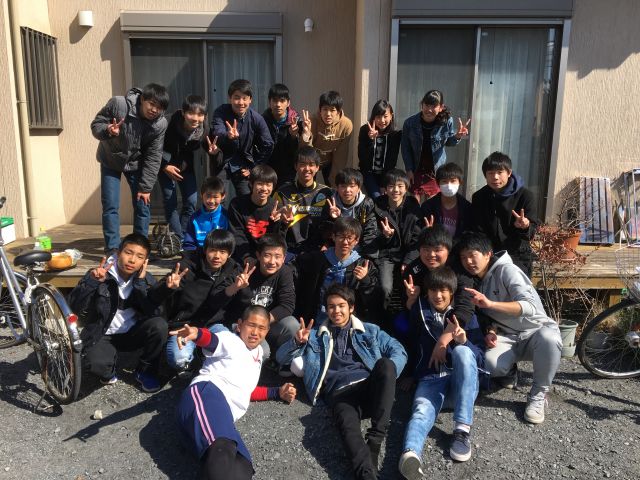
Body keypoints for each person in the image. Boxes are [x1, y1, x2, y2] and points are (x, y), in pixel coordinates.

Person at [276, 284, 407, 480]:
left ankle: (375, 439)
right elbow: (281, 358)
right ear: (326, 309)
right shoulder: (315, 336)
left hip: (368, 387)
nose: (336, 311)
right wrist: (296, 342)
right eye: (331, 306)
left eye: (341, 305)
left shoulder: (370, 330)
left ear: (351, 307)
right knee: (349, 430)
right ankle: (366, 474)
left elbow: (399, 350)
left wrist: (386, 380)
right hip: (340, 394)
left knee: (387, 364)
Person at [173, 306, 297, 480]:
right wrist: (197, 333)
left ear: (267, 331)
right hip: (206, 395)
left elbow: (245, 390)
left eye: (261, 328)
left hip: (222, 415)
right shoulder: (231, 340)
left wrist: (277, 392)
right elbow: (212, 340)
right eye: (251, 325)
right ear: (239, 325)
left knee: (243, 466)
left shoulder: (258, 353)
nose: (255, 332)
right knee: (222, 450)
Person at [458, 232, 562, 424]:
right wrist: (491, 330)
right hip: (506, 336)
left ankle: (538, 394)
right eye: (463, 257)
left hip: (536, 332)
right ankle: (510, 371)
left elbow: (529, 306)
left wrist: (491, 304)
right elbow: (486, 315)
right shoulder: (474, 281)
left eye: (473, 255)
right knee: (488, 365)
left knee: (550, 339)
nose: (468, 261)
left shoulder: (507, 270)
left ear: (488, 254)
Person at [398, 267, 486, 479]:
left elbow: (480, 359)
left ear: (452, 293)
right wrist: (410, 374)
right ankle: (410, 454)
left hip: (460, 386)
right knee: (421, 412)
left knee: (464, 352)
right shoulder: (419, 312)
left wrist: (463, 341)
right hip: (431, 379)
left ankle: (461, 431)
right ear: (426, 292)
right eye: (433, 290)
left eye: (443, 290)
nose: (438, 295)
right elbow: (409, 343)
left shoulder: (465, 317)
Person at [67, 233, 167, 392]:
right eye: (128, 253)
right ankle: (108, 368)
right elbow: (73, 307)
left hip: (131, 333)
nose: (132, 260)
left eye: (139, 256)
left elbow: (156, 312)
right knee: (96, 366)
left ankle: (144, 370)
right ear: (118, 253)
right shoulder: (100, 274)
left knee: (159, 325)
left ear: (145, 261)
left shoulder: (145, 279)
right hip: (102, 334)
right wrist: (92, 283)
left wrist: (140, 285)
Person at [91, 83, 169, 254]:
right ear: (142, 100)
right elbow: (96, 125)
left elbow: (154, 155)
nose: (154, 110)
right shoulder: (119, 104)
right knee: (110, 204)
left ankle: (139, 246)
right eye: (152, 104)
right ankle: (112, 248)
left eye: (159, 107)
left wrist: (146, 187)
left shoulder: (160, 124)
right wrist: (107, 130)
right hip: (110, 159)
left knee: (143, 203)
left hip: (135, 163)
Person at [154, 229, 243, 372]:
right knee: (179, 359)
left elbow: (236, 301)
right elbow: (158, 293)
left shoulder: (233, 270)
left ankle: (202, 352)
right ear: (205, 250)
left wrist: (239, 288)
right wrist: (168, 287)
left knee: (231, 350)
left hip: (213, 324)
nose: (217, 256)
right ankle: (195, 357)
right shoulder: (187, 266)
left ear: (230, 254)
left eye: (222, 252)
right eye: (212, 250)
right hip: (185, 324)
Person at [209, 234, 299, 362]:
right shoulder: (244, 270)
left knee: (292, 325)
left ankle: (279, 362)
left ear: (284, 258)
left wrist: (262, 324)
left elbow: (287, 305)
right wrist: (235, 287)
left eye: (277, 256)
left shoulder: (285, 272)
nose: (272, 261)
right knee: (263, 352)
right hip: (243, 324)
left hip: (268, 322)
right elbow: (216, 299)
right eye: (267, 255)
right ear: (258, 255)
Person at [159, 95, 222, 240]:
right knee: (170, 202)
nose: (195, 118)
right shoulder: (167, 123)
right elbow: (152, 148)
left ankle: (182, 235)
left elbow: (213, 152)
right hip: (165, 165)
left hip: (185, 166)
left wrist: (215, 152)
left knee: (191, 201)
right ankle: (177, 238)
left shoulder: (204, 129)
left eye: (200, 114)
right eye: (191, 113)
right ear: (183, 112)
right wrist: (164, 166)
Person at [294, 217, 378, 324]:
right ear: (333, 237)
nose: (345, 242)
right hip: (317, 319)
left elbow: (374, 298)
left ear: (356, 241)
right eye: (341, 237)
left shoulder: (364, 265)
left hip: (350, 322)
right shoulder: (317, 259)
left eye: (350, 238)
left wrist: (365, 279)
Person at [471, 151, 538, 277]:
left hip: (517, 255)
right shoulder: (479, 197)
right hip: (488, 254)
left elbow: (532, 232)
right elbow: (477, 230)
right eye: (490, 173)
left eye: (500, 172)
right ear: (485, 175)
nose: (495, 177)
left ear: (509, 173)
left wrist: (525, 226)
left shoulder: (525, 196)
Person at [400, 90, 470, 203]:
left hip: (435, 171)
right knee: (414, 204)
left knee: (432, 205)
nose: (429, 110)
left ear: (441, 107)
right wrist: (409, 169)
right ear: (422, 105)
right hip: (416, 169)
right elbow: (405, 148)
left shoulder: (446, 121)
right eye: (427, 105)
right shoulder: (410, 123)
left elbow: (449, 142)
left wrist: (457, 136)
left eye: (433, 106)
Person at [211, 79, 274, 196]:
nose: (241, 102)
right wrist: (228, 135)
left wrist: (255, 167)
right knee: (217, 196)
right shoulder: (221, 112)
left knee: (246, 196)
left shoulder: (256, 118)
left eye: (244, 98)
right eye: (237, 97)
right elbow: (217, 131)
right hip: (222, 160)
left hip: (244, 164)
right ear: (230, 98)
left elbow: (268, 144)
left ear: (250, 99)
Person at [373, 169, 422, 313]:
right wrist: (385, 236)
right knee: (385, 288)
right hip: (386, 255)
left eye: (400, 186)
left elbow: (417, 239)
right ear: (385, 188)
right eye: (391, 186)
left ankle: (408, 316)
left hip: (408, 254)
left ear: (406, 188)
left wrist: (408, 260)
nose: (395, 190)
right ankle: (384, 317)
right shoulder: (377, 206)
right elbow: (372, 236)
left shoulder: (413, 207)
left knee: (411, 287)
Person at [274, 146, 333, 257]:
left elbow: (332, 224)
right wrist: (283, 222)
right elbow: (273, 226)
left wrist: (327, 244)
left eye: (311, 165)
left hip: (319, 249)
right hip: (289, 250)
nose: (307, 168)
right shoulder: (282, 193)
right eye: (302, 164)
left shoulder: (327, 192)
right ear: (295, 166)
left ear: (317, 167)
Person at [227, 165, 284, 266]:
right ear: (251, 184)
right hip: (243, 254)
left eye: (268, 185)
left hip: (268, 256)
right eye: (260, 184)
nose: (264, 188)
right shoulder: (237, 204)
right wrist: (247, 257)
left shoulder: (276, 207)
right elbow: (237, 233)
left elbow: (277, 238)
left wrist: (277, 223)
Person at [300, 90, 353, 186]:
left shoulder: (346, 125)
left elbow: (341, 156)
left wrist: (335, 183)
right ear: (320, 110)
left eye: (332, 110)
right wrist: (306, 133)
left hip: (330, 160)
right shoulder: (312, 121)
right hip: (312, 158)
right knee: (307, 185)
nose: (328, 114)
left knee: (333, 185)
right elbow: (306, 151)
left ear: (338, 111)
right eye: (325, 109)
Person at [325, 167, 379, 259]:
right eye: (343, 186)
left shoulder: (366, 203)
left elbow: (370, 231)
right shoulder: (331, 203)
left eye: (352, 186)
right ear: (337, 187)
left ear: (359, 188)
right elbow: (325, 232)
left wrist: (367, 258)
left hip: (360, 249)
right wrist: (335, 219)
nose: (347, 190)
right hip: (337, 249)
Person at [358, 100, 402, 198]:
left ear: (391, 116)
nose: (382, 120)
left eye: (385, 116)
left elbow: (391, 160)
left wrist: (383, 184)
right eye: (378, 117)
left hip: (387, 173)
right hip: (368, 173)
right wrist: (371, 140)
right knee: (377, 196)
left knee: (389, 197)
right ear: (373, 117)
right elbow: (362, 158)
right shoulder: (365, 130)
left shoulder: (395, 133)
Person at [262, 83, 303, 188]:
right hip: (267, 170)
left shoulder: (297, 122)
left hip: (287, 171)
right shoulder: (262, 121)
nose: (278, 104)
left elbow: (299, 150)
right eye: (275, 100)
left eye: (282, 100)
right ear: (269, 102)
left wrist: (293, 136)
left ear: (288, 103)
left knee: (284, 196)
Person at [421, 162, 474, 241]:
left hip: (459, 247)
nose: (449, 185)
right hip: (435, 246)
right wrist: (427, 233)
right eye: (444, 181)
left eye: (453, 181)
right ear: (438, 183)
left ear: (460, 183)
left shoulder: (467, 208)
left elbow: (469, 234)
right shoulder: (428, 206)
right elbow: (420, 233)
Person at [182, 176, 229, 252]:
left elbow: (231, 241)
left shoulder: (227, 216)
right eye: (208, 196)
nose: (211, 201)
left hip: (220, 254)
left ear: (223, 196)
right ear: (201, 195)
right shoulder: (194, 218)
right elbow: (189, 243)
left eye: (215, 197)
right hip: (199, 254)